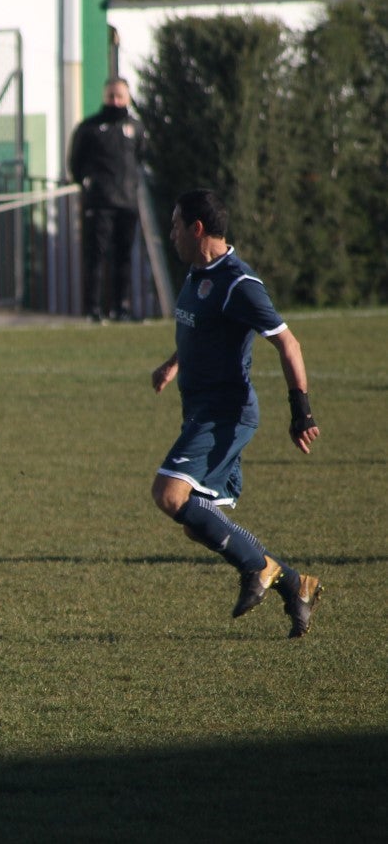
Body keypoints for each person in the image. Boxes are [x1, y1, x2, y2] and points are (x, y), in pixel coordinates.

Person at [150, 188, 322, 638]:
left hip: (225, 414)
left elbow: (288, 342)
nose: (171, 235)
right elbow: (201, 331)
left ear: (198, 228)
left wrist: (300, 410)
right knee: (198, 523)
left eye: (175, 225)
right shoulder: (196, 273)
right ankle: (294, 583)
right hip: (201, 411)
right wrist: (173, 363)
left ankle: (257, 569)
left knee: (170, 496)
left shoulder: (238, 282)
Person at [68, 77, 146, 323]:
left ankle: (121, 308)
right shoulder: (89, 128)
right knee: (95, 256)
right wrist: (90, 185)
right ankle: (93, 309)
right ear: (104, 96)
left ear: (127, 98)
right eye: (111, 96)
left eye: (119, 96)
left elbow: (141, 158)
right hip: (99, 203)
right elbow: (75, 165)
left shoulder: (136, 128)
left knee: (123, 256)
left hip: (127, 203)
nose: (115, 101)